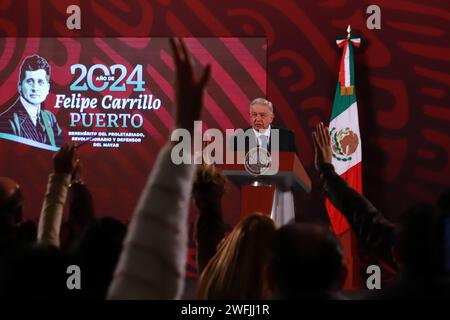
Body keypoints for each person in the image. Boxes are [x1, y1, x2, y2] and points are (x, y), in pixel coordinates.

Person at [0, 54, 64, 148]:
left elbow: (61, 151)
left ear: (48, 88)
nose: (35, 88)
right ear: (20, 86)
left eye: (40, 82)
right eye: (30, 81)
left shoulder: (49, 117)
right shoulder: (6, 121)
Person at [231, 98, 297, 154]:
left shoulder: (287, 136)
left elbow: (296, 165)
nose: (258, 119)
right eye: (254, 115)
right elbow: (232, 167)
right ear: (250, 116)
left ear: (271, 118)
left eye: (262, 115)